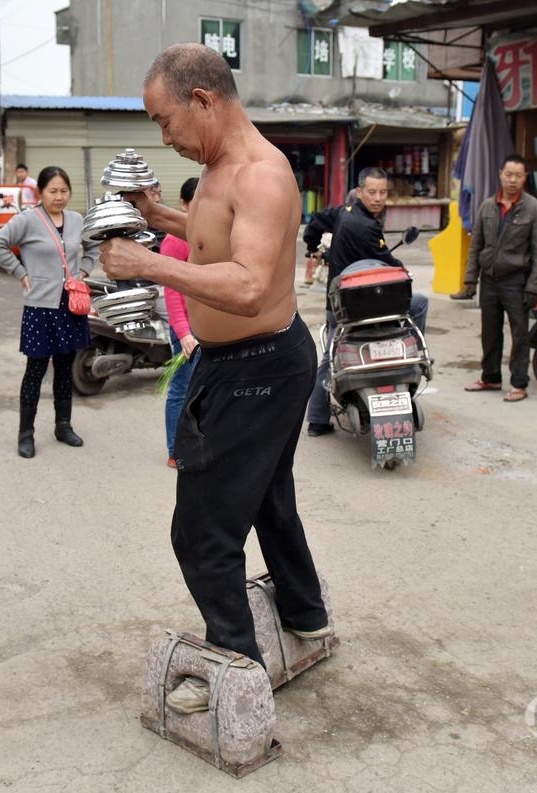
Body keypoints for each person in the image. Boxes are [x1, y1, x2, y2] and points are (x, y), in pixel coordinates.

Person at [98, 43, 330, 715]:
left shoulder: (261, 173)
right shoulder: (222, 169)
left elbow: (251, 284)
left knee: (202, 532)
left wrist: (146, 266)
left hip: (259, 365)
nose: (163, 136)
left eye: (165, 120)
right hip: (248, 362)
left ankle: (237, 667)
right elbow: (211, 237)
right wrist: (156, 216)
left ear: (202, 100)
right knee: (266, 496)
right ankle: (306, 612)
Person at [302, 167, 430, 436]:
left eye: (383, 192)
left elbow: (314, 222)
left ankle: (317, 419)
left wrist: (312, 246)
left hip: (338, 304)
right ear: (360, 192)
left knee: (329, 358)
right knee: (419, 304)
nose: (378, 197)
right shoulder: (368, 228)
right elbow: (389, 263)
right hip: (365, 306)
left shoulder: (341, 213)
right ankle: (415, 355)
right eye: (372, 192)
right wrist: (402, 271)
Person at [0, 165, 97, 459]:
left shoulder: (76, 220)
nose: (59, 197)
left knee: (65, 370)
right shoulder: (27, 220)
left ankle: (63, 425)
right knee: (35, 371)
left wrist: (83, 270)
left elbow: (94, 247)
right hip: (40, 308)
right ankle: (26, 434)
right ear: (40, 192)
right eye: (53, 191)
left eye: (64, 191)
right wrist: (19, 271)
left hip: (71, 306)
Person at [459, 153, 537, 403]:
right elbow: (476, 244)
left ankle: (519, 383)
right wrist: (470, 280)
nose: (512, 180)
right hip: (489, 279)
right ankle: (491, 377)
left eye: (518, 175)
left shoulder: (535, 209)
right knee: (490, 332)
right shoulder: (487, 206)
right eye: (508, 174)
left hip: (517, 281)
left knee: (520, 334)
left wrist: (533, 287)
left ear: (524, 178)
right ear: (500, 174)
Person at [161, 176, 201, 467]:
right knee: (181, 390)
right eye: (195, 202)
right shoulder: (174, 240)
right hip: (187, 331)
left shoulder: (210, 235)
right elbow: (172, 293)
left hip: (209, 328)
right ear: (183, 204)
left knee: (205, 392)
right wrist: (184, 333)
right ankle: (176, 450)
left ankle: (200, 444)